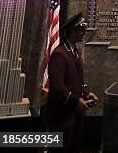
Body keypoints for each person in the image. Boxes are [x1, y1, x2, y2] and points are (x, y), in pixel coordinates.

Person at [45, 12, 98, 152]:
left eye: (83, 29)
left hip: (75, 116)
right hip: (62, 116)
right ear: (70, 31)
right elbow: (58, 87)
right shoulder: (60, 54)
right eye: (80, 30)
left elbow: (78, 80)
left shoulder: (74, 51)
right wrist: (76, 101)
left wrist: (87, 93)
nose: (83, 33)